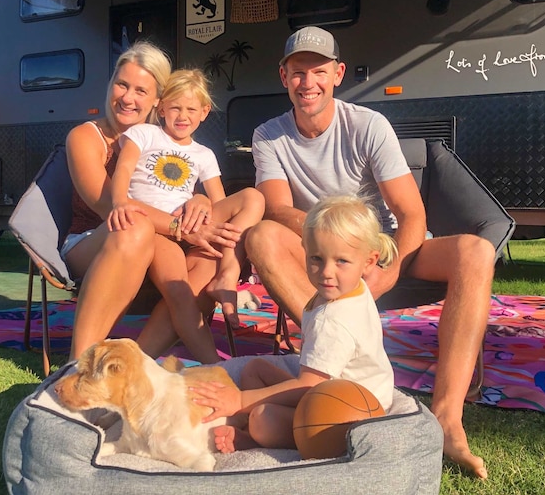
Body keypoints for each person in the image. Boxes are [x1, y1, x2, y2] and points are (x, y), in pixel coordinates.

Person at [242, 26, 495, 478]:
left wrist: (391, 268)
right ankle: (327, 370)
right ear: (283, 76)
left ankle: (447, 417)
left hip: (383, 247)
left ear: (338, 73)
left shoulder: (368, 125)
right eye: (298, 72)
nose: (308, 83)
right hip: (324, 258)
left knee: (475, 252)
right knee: (260, 235)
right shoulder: (269, 135)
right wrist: (334, 244)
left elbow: (410, 213)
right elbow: (278, 208)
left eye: (318, 71)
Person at [62, 42, 243, 363]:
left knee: (212, 254)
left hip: (161, 244)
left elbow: (174, 192)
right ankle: (78, 364)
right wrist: (182, 228)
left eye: (141, 91)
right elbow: (111, 208)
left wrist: (198, 200)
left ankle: (139, 363)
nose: (128, 98)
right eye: (121, 84)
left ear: (158, 100)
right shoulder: (85, 136)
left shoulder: (169, 143)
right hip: (96, 241)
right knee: (134, 226)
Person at [189, 194, 396, 451]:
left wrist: (241, 399)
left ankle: (252, 433)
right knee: (255, 369)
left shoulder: (334, 321)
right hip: (337, 392)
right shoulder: (351, 287)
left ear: (369, 262)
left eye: (341, 261)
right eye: (316, 259)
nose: (327, 272)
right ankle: (242, 425)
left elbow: (310, 385)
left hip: (353, 414)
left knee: (264, 419)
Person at [108, 69, 264, 360]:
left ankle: (228, 274)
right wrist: (119, 201)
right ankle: (213, 364)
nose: (182, 115)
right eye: (175, 107)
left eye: (191, 109)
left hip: (194, 229)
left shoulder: (203, 153)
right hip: (156, 229)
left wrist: (202, 200)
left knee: (252, 197)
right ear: (162, 107)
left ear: (204, 112)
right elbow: (124, 169)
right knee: (183, 293)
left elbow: (220, 202)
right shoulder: (144, 134)